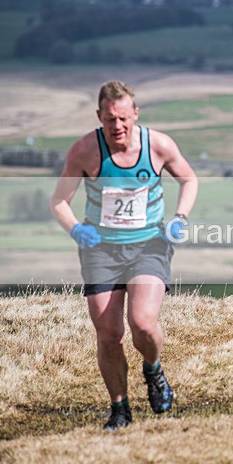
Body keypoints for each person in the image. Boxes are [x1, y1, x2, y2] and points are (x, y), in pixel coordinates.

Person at [50, 80, 198, 431]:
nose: (117, 126)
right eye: (109, 119)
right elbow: (59, 201)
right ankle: (120, 409)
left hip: (148, 244)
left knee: (143, 323)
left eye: (122, 118)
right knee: (108, 332)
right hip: (100, 248)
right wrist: (75, 229)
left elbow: (189, 180)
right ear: (99, 116)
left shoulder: (158, 145)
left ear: (135, 113)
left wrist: (179, 218)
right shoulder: (85, 150)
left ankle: (154, 369)